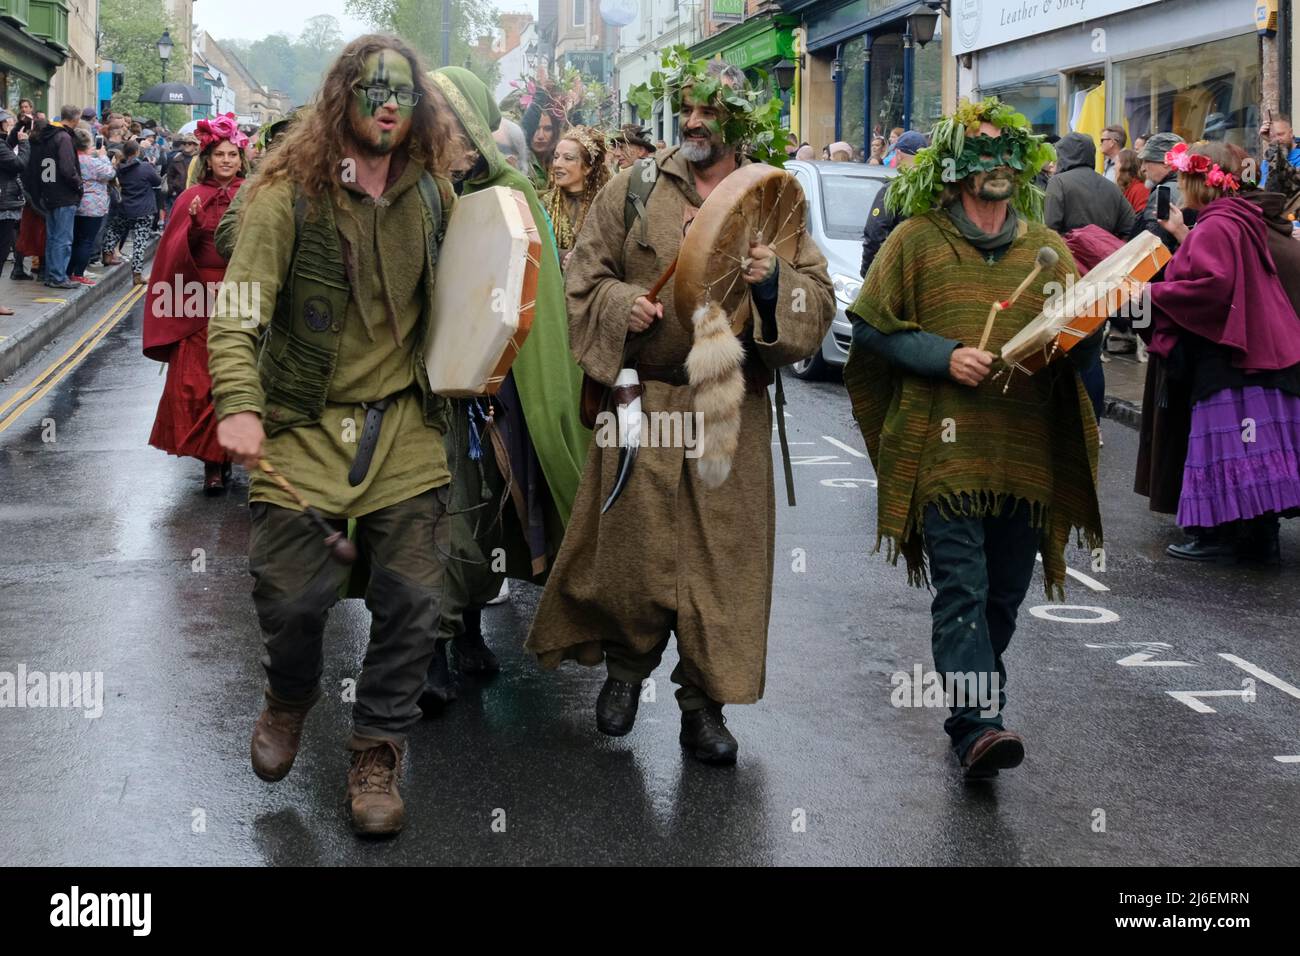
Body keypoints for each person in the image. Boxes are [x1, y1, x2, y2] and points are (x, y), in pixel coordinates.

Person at [526, 59, 835, 765]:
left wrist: (773, 282)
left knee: (720, 565)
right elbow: (583, 277)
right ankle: (626, 671)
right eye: (687, 110)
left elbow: (816, 301)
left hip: (730, 401)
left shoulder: (772, 196)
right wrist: (618, 306)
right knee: (632, 555)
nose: (694, 123)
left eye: (709, 112)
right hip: (644, 397)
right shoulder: (633, 186)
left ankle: (704, 708)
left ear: (737, 121)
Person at [208, 35, 459, 838]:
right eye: (374, 89)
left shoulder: (433, 197)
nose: (390, 104)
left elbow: (475, 295)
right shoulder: (289, 195)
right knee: (291, 599)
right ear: (340, 97)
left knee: (419, 598)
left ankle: (377, 749)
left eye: (404, 94)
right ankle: (288, 696)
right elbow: (239, 312)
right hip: (306, 423)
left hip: (404, 425)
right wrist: (239, 405)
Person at [843, 99, 1102, 779]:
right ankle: (981, 725)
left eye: (1006, 153)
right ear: (955, 166)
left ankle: (968, 714)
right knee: (962, 588)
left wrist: (1092, 322)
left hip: (1023, 456)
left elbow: (1079, 351)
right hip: (944, 450)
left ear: (1021, 166)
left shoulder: (1047, 249)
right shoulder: (916, 240)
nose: (996, 165)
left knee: (1002, 597)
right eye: (980, 152)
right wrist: (943, 354)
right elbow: (869, 326)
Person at [418, 67, 589, 704]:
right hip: (425, 388)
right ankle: (431, 646)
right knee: (440, 514)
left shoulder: (512, 192)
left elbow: (532, 303)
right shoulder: (412, 192)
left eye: (450, 124)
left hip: (498, 389)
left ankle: (464, 627)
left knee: (493, 515)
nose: (442, 137)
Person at [1147, 141, 1300, 563]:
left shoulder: (1217, 225)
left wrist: (1149, 293)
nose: (1179, 187)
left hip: (1229, 356)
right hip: (1263, 351)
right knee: (1256, 448)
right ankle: (1259, 537)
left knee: (1227, 447)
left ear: (1198, 180)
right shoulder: (1241, 217)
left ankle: (1217, 535)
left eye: (1182, 178)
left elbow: (1213, 287)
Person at [143, 115, 248, 494]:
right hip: (197, 299)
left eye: (232, 155)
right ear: (207, 159)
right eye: (219, 154)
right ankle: (212, 464)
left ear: (240, 159)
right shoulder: (190, 197)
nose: (225, 161)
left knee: (235, 377)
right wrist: (193, 228)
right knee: (199, 382)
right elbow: (171, 253)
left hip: (242, 295)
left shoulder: (254, 195)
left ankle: (228, 453)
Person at [29, 106, 84, 290]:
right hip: (64, 196)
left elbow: (46, 167)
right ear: (76, 119)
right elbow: (68, 169)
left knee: (53, 238)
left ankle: (52, 275)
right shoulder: (64, 138)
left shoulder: (49, 136)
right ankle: (59, 277)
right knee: (63, 239)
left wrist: (47, 189)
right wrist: (79, 185)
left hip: (50, 193)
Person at [860, 130, 927, 277]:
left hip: (898, 275)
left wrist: (868, 273)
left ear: (898, 154)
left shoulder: (893, 191)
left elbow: (875, 235)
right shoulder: (935, 191)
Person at [1044, 132, 1136, 238]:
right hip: (1109, 252)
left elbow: (1050, 228)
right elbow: (1130, 227)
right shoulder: (1112, 187)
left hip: (1070, 252)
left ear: (1064, 155)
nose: (1053, 163)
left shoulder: (1058, 182)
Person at [542, 125, 610, 269]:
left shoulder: (604, 205)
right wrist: (562, 257)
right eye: (556, 157)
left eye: (568, 158)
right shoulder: (545, 204)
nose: (557, 164)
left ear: (587, 168)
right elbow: (537, 246)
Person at [99, 139, 160, 286]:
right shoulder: (145, 167)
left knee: (114, 230)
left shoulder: (118, 168)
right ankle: (137, 275)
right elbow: (157, 181)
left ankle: (107, 255)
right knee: (139, 243)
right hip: (144, 210)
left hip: (125, 208)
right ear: (137, 152)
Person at [70, 128, 114, 285]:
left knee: (74, 239)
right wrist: (103, 157)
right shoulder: (93, 162)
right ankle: (78, 273)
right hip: (93, 206)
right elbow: (110, 173)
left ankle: (68, 272)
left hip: (75, 203)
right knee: (86, 241)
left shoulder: (72, 160)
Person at [0, 110, 29, 311]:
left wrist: (19, 127)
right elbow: (19, 164)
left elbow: (8, 146)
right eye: (7, 121)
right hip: (3, 206)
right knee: (1, 253)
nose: (9, 124)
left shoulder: (2, 144)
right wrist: (25, 144)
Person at [1258, 114, 1300, 184]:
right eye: (1273, 136)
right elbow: (1263, 189)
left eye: (1280, 134)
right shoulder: (1268, 161)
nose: (1277, 139)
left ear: (1291, 133)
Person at [1115, 147, 1149, 215]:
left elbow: (1140, 218)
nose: (1114, 167)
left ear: (1125, 165)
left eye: (1117, 163)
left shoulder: (1141, 189)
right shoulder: (1126, 187)